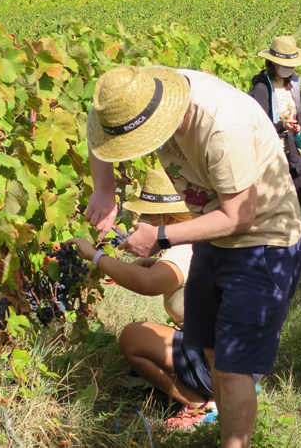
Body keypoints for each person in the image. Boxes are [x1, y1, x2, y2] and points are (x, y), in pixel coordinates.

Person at [84, 64, 301, 448]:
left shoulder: (223, 127)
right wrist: (103, 187)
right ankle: (224, 428)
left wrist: (162, 237)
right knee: (211, 350)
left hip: (263, 242)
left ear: (168, 116)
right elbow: (96, 125)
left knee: (233, 367)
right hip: (211, 235)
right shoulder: (133, 95)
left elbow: (239, 216)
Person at [65, 168, 217, 429]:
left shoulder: (182, 251)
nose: (140, 221)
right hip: (225, 354)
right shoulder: (192, 243)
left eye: (147, 215)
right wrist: (141, 261)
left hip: (215, 362)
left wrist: (95, 257)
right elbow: (151, 273)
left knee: (133, 337)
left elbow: (148, 284)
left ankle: (203, 405)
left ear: (166, 217)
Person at [248, 35, 301, 262]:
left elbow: (300, 114)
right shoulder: (261, 87)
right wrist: (281, 126)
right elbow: (258, 122)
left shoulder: (293, 84)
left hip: (291, 151)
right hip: (270, 154)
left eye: (291, 65)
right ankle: (283, 253)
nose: (289, 69)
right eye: (285, 65)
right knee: (276, 204)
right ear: (273, 63)